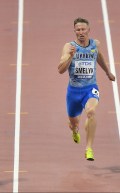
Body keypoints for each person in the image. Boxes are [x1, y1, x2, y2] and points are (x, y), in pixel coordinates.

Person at [58, 17, 115, 161]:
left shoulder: (95, 44)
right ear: (74, 31)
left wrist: (108, 72)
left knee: (91, 111)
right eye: (78, 29)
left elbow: (99, 56)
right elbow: (60, 70)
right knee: (74, 122)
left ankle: (89, 148)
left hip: (90, 88)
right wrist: (70, 57)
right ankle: (75, 129)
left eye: (83, 29)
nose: (81, 32)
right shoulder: (68, 47)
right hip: (73, 91)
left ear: (89, 30)